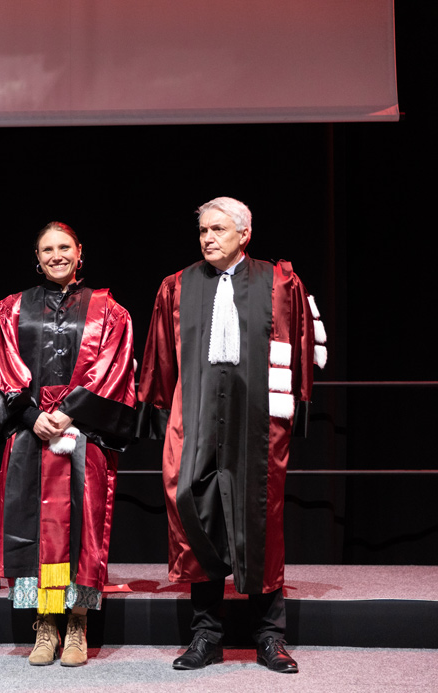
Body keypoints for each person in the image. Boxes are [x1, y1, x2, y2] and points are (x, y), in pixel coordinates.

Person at [137, 197, 328, 674]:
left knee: (259, 520)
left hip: (258, 424)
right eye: (202, 230)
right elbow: (160, 354)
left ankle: (269, 636)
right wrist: (163, 420)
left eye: (218, 229)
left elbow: (301, 344)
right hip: (196, 419)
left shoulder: (279, 282)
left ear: (244, 234)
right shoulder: (176, 286)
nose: (207, 238)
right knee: (196, 516)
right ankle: (206, 635)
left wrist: (296, 413)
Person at [0, 222, 137, 667]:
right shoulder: (11, 308)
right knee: (34, 527)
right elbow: (5, 365)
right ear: (37, 257)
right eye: (47, 249)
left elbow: (114, 368)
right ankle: (45, 623)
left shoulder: (110, 309)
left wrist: (69, 412)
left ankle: (77, 624)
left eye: (64, 247)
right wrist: (34, 417)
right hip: (29, 434)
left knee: (82, 529)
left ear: (79, 253)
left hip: (83, 434)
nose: (56, 255)